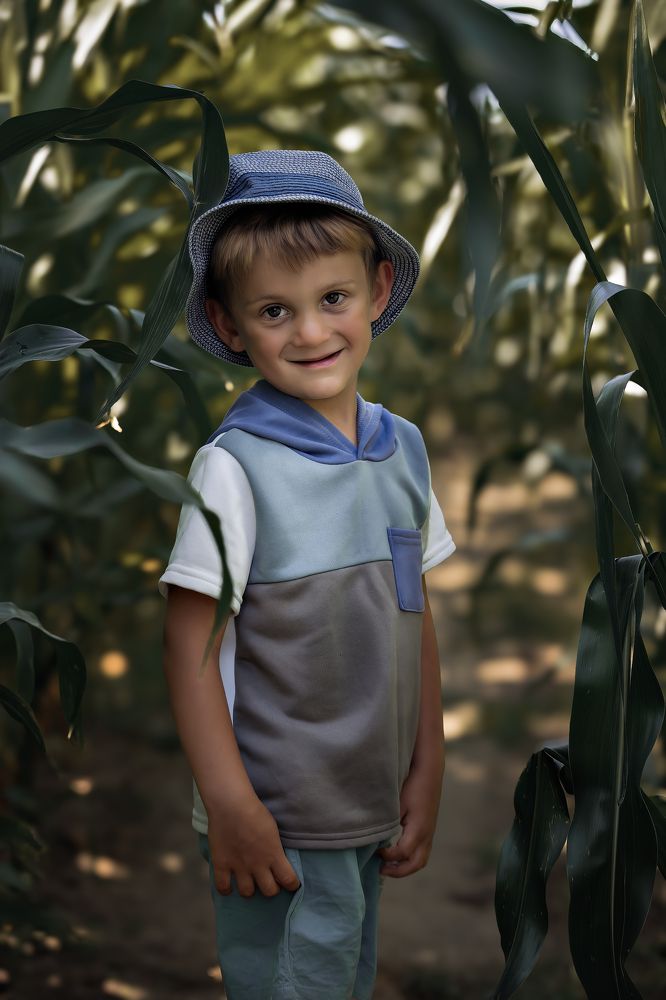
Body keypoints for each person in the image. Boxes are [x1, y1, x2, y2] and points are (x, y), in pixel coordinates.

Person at [158, 149, 456, 1000]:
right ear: (229, 326)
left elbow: (415, 611)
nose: (313, 332)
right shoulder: (233, 468)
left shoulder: (403, 449)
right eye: (274, 311)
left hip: (367, 794)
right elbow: (187, 651)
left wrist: (427, 762)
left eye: (333, 299)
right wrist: (232, 806)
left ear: (376, 288)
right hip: (279, 811)